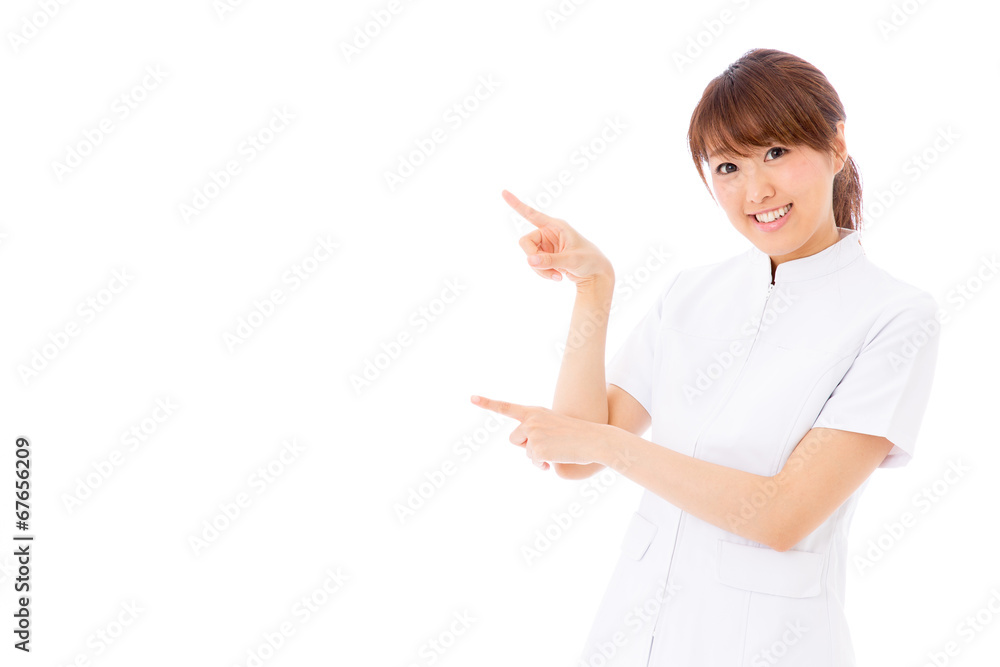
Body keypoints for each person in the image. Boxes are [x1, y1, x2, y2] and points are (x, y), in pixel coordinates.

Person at [470, 48, 941, 666]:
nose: (757, 190)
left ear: (836, 145)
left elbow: (782, 515)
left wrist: (606, 445)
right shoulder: (691, 294)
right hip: (631, 634)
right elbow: (576, 460)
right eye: (728, 166)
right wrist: (592, 289)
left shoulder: (894, 316)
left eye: (777, 152)